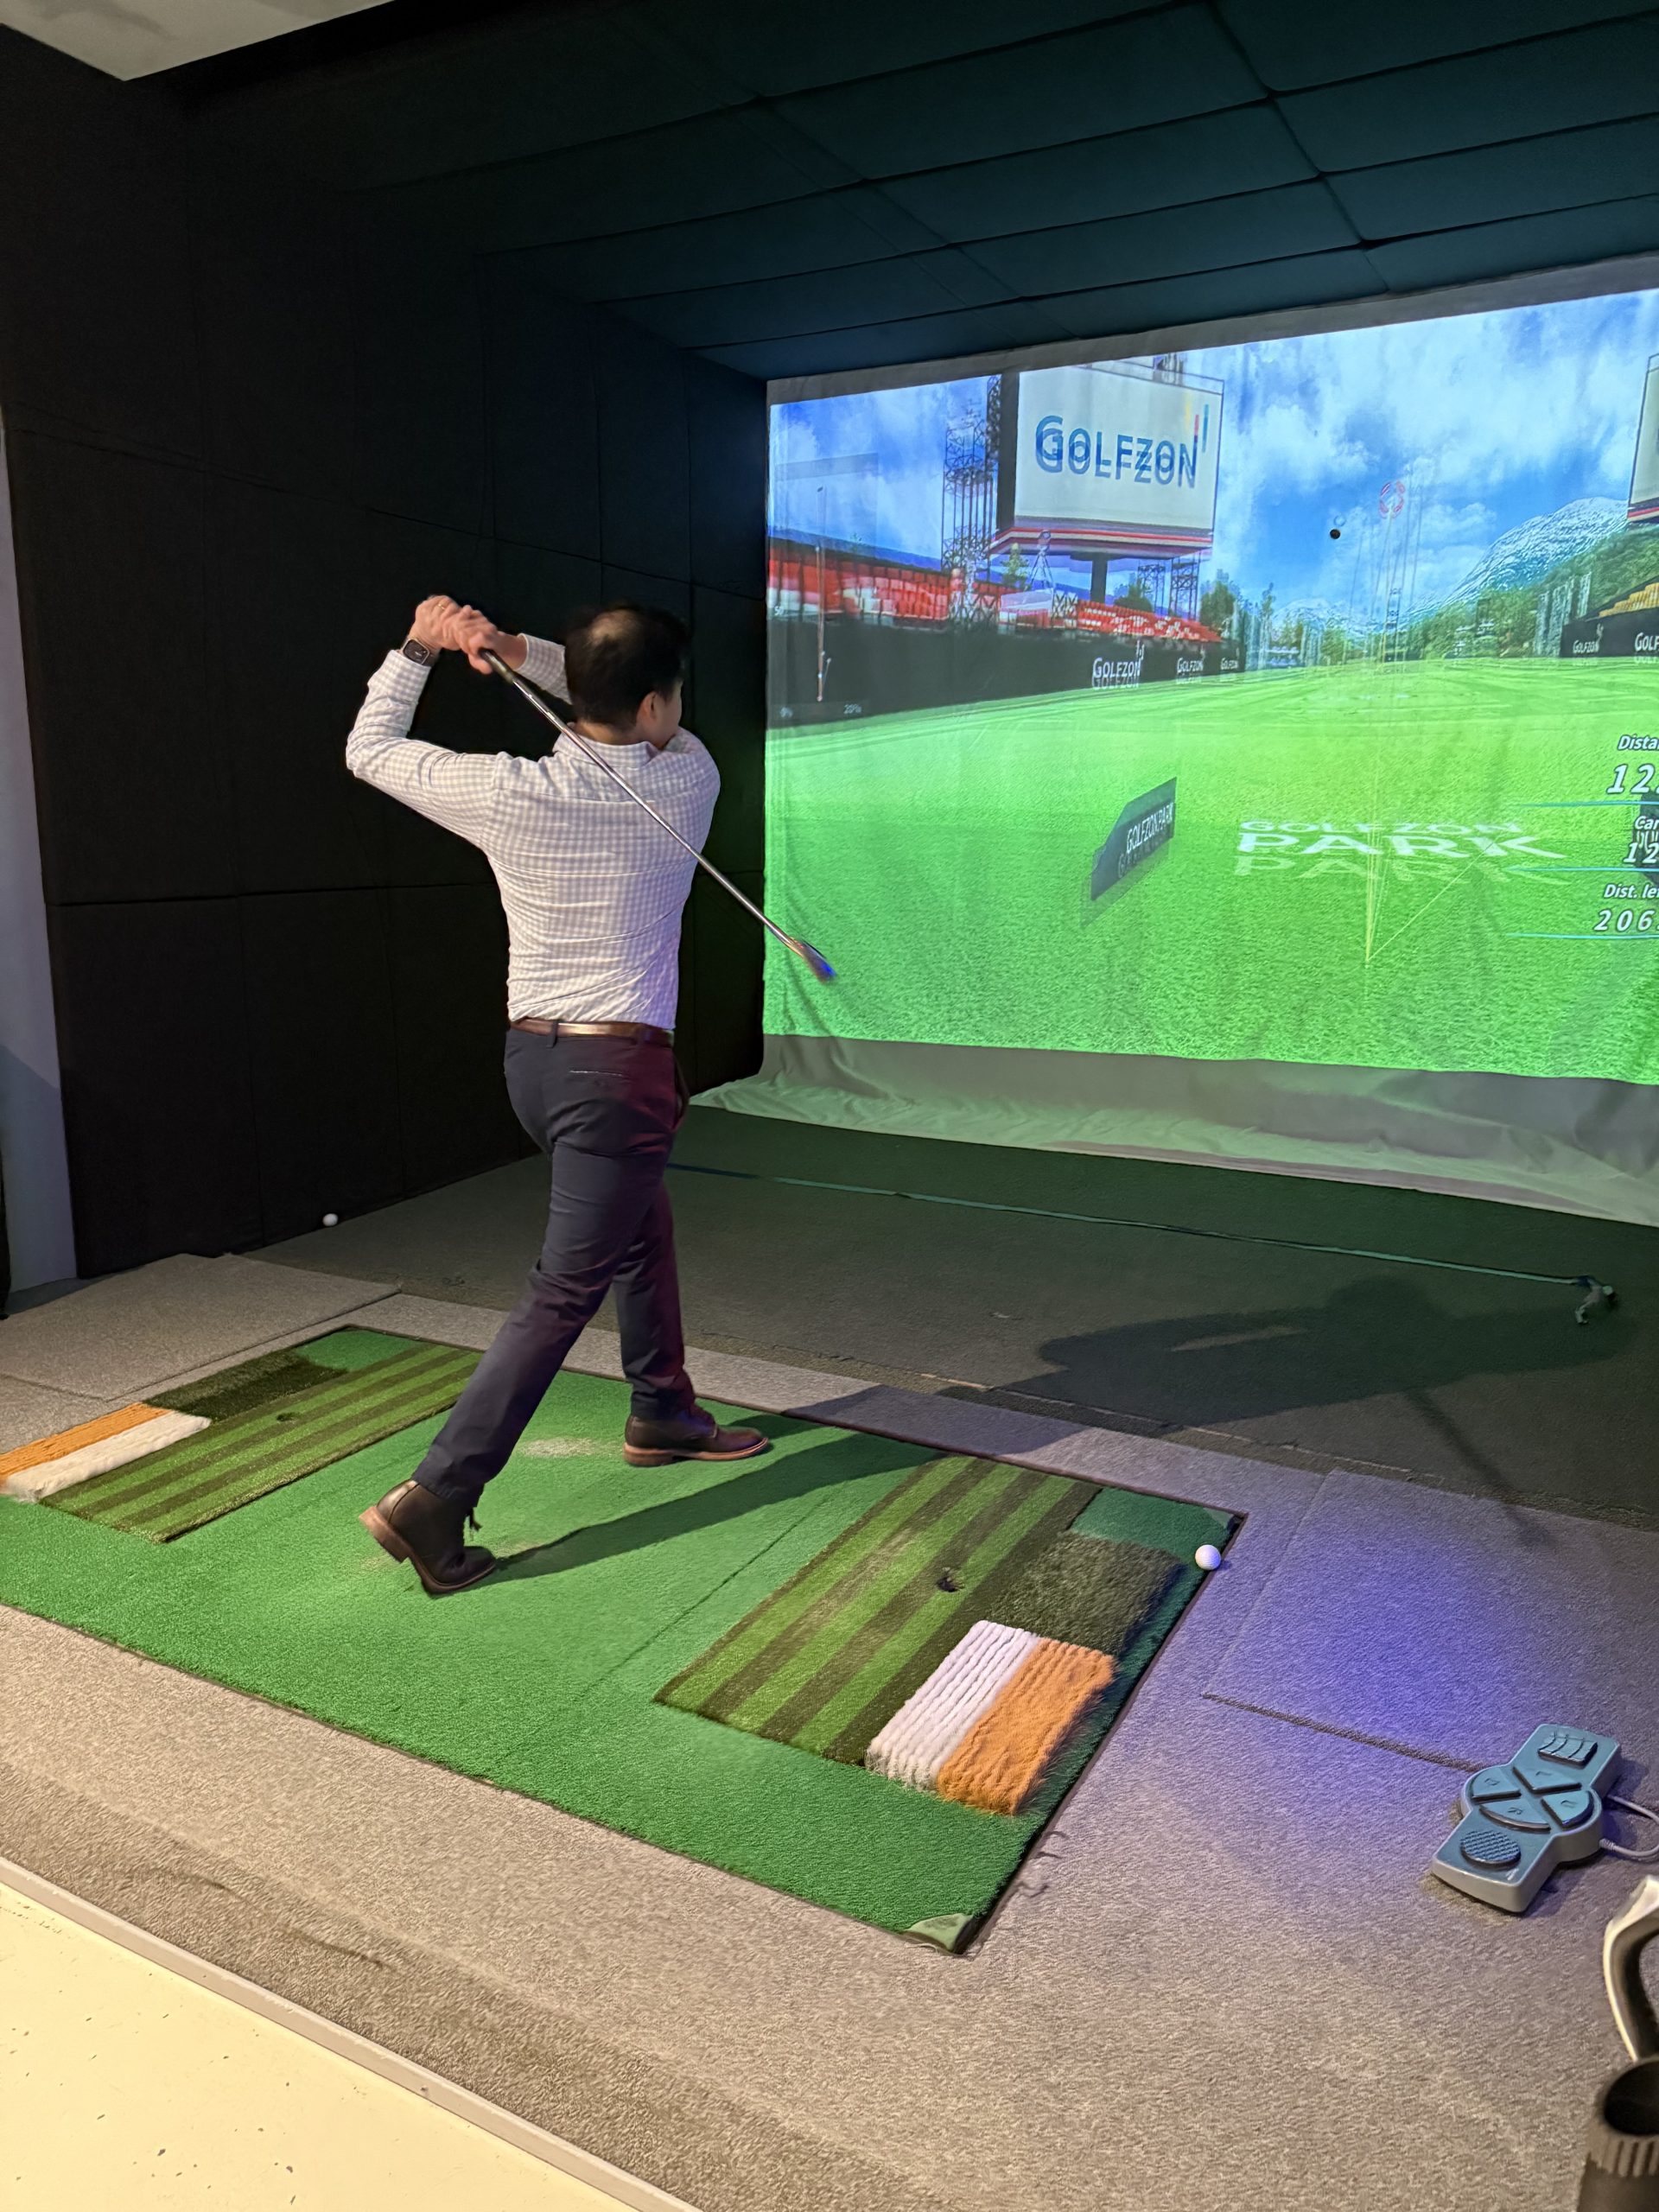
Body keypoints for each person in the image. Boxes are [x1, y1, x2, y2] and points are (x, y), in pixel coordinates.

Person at [346, 594, 766, 1596]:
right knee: (563, 1290)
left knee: (639, 1223)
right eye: (673, 694)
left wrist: (423, 646)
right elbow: (613, 698)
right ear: (656, 704)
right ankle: (435, 1496)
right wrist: (511, 649)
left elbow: (370, 748)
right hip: (617, 1078)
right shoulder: (688, 777)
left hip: (534, 1069)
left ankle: (661, 1409)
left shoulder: (502, 789)